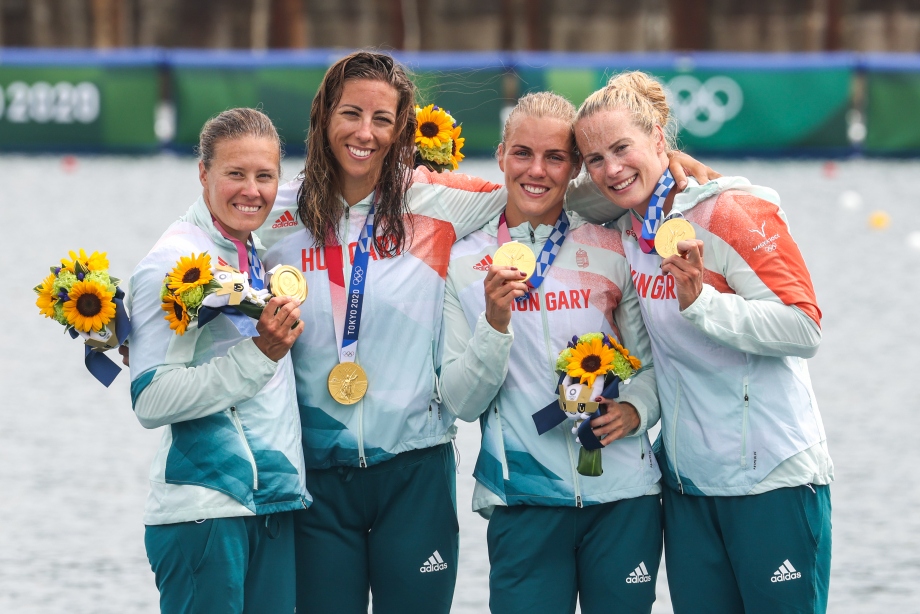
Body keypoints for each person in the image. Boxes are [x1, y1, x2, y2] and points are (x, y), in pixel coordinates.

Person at [259, 50, 716, 614]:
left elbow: (560, 195)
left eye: (382, 119)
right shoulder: (275, 210)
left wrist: (663, 165)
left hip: (424, 469)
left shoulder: (442, 205)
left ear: (401, 130)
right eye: (351, 113)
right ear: (323, 115)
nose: (365, 132)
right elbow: (214, 228)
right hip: (322, 467)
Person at [573, 72, 833, 614]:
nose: (611, 169)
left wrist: (701, 304)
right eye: (594, 159)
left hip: (772, 480)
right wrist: (636, 409)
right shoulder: (626, 226)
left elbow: (804, 327)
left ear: (658, 137)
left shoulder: (729, 210)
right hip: (689, 488)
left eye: (622, 148)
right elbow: (557, 196)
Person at [439, 92, 662, 614]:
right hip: (524, 501)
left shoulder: (611, 248)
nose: (536, 170)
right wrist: (495, 323)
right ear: (501, 156)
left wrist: (636, 410)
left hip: (623, 498)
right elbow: (461, 403)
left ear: (575, 167)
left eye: (555, 157)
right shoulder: (462, 262)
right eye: (522, 153)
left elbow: (652, 366)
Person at [126, 108, 308, 613]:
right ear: (203, 173)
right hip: (205, 510)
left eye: (265, 176)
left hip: (269, 504)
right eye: (235, 173)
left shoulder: (252, 251)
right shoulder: (175, 264)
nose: (252, 190)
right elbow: (150, 400)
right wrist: (260, 354)